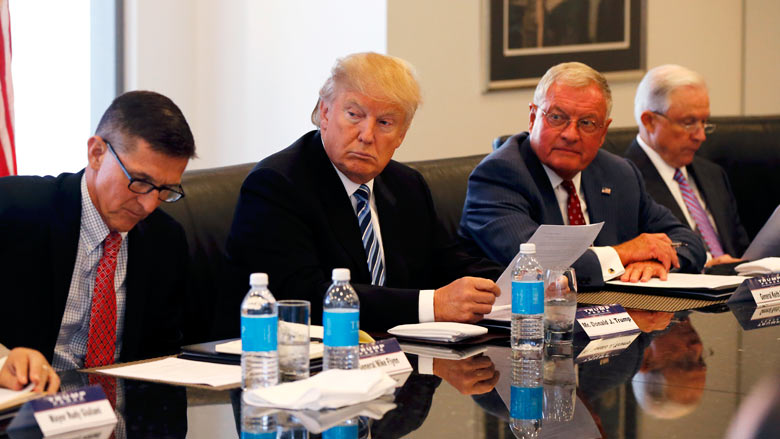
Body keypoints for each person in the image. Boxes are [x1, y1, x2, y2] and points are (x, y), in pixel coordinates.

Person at [226, 52, 502, 330]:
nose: (367, 135)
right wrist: (433, 305)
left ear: (402, 134)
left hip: (397, 356)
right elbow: (303, 299)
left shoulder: (407, 185)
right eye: (354, 115)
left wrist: (513, 282)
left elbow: (447, 262)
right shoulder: (276, 185)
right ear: (325, 112)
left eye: (384, 123)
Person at [0, 91, 195, 385]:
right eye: (140, 182)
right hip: (28, 415)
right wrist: (3, 359)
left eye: (166, 190)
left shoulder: (165, 239)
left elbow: (163, 362)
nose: (149, 205)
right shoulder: (14, 211)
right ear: (96, 153)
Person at [459, 62, 705, 287]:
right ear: (533, 118)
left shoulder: (619, 173)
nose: (570, 134)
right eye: (557, 117)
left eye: (587, 123)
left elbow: (687, 240)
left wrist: (656, 262)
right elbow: (539, 263)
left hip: (618, 322)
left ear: (603, 132)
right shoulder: (499, 176)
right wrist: (625, 254)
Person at [626, 64, 749, 266]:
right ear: (649, 121)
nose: (700, 136)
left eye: (704, 122)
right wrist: (707, 262)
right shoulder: (624, 181)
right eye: (689, 123)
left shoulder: (712, 174)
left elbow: (740, 247)